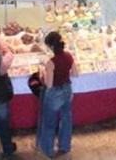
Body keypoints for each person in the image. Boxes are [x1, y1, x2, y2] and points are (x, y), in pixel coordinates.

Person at [38, 31, 76, 159]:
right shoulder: (69, 56)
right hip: (67, 90)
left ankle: (48, 149)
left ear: (51, 46)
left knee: (49, 122)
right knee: (66, 120)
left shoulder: (51, 62)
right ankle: (65, 146)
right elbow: (76, 73)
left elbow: (49, 84)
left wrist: (43, 72)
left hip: (55, 94)